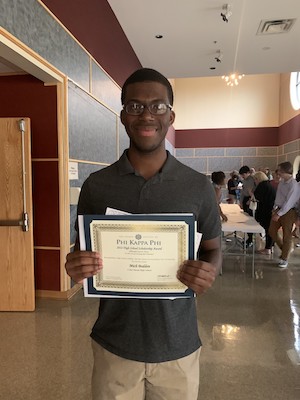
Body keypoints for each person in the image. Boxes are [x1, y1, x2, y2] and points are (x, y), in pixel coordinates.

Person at [65, 68, 222, 400]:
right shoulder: (98, 185)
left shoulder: (197, 186)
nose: (147, 114)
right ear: (123, 116)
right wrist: (75, 266)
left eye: (158, 106)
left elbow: (212, 248)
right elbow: (82, 252)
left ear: (171, 115)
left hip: (178, 345)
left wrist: (209, 271)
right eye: (135, 106)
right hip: (115, 343)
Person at [268, 161, 300, 268]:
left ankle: (284, 258)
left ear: (287, 172)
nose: (278, 174)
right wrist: (275, 209)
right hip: (279, 209)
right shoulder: (282, 182)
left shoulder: (294, 185)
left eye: (280, 171)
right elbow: (279, 197)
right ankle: (285, 249)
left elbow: (289, 202)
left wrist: (280, 213)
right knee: (272, 231)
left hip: (289, 211)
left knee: (287, 235)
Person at [253, 172, 276, 254]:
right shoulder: (269, 184)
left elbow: (257, 197)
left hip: (265, 210)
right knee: (270, 229)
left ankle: (267, 248)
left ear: (258, 179)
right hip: (270, 209)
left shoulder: (262, 185)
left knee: (268, 229)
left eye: (255, 179)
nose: (254, 181)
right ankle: (271, 246)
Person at [239, 165, 256, 247]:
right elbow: (243, 191)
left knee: (250, 219)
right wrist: (241, 202)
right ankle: (248, 237)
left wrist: (250, 200)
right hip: (246, 199)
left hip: (251, 200)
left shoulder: (252, 180)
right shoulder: (245, 181)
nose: (242, 176)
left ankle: (250, 239)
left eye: (243, 174)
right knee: (246, 218)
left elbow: (254, 192)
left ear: (248, 173)